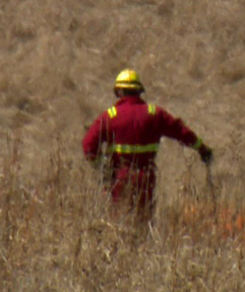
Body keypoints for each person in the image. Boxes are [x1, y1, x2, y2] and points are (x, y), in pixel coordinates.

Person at [82, 69, 213, 223]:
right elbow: (181, 132)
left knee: (119, 224)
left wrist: (102, 167)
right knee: (143, 225)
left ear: (119, 91)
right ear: (139, 91)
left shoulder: (110, 116)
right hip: (146, 179)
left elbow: (88, 145)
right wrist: (202, 149)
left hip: (119, 179)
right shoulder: (154, 114)